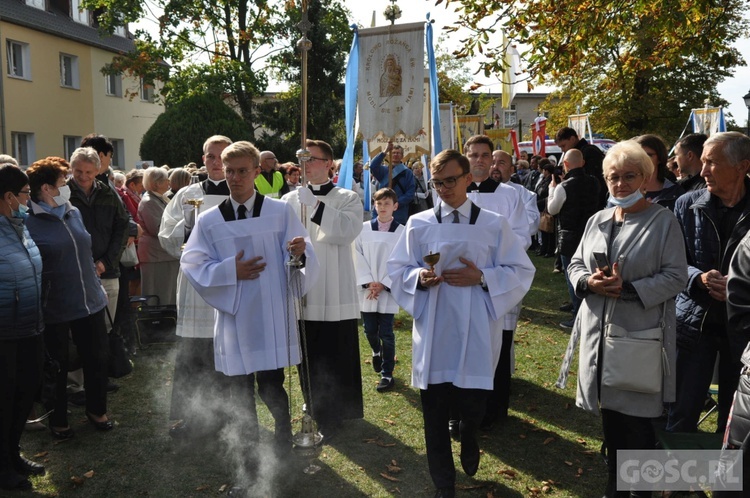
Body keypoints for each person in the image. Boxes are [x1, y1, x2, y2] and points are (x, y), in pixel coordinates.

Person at [387, 149, 535, 498]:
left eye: (450, 180)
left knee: (473, 403)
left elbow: (521, 270)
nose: (443, 188)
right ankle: (444, 484)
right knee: (434, 414)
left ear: (468, 178)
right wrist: (419, 279)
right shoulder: (419, 224)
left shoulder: (492, 224)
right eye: (437, 182)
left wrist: (482, 277)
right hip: (435, 326)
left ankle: (470, 432)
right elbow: (397, 269)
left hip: (477, 326)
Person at [556, 140, 687, 498]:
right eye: (614, 177)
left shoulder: (663, 221)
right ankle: (615, 489)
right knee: (612, 426)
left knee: (638, 430)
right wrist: (587, 281)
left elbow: (676, 276)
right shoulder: (597, 219)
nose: (621, 184)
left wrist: (627, 288)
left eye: (629, 176)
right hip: (600, 339)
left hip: (638, 342)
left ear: (646, 177)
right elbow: (575, 264)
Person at [181, 141, 319, 452]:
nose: (235, 177)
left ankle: (283, 437)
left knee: (272, 383)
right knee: (239, 387)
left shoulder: (280, 212)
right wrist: (231, 271)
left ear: (257, 171)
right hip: (235, 313)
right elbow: (192, 262)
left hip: (270, 311)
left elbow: (303, 252)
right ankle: (248, 444)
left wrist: (300, 253)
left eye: (243, 171)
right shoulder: (209, 220)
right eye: (229, 171)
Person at [25, 157, 115, 438]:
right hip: (56, 307)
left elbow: (84, 249)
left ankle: (96, 410)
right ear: (46, 189)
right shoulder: (29, 221)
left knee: (97, 359)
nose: (67, 186)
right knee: (58, 366)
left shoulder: (71, 211)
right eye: (62, 182)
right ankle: (59, 420)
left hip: (90, 300)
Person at [281, 139, 364, 441]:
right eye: (300, 158)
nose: (304, 164)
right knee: (309, 348)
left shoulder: (346, 197)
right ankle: (313, 401)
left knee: (336, 347)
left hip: (336, 283)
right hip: (304, 283)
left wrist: (314, 204)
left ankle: (340, 408)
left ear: (329, 163)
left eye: (311, 158)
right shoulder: (289, 201)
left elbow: (345, 231)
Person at [667, 131, 750, 434]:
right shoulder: (686, 204)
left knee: (736, 420)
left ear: (742, 166)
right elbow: (672, 261)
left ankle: (728, 482)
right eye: (702, 162)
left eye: (712, 163)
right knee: (680, 414)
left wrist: (738, 287)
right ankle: (676, 481)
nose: (702, 171)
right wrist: (697, 278)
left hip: (743, 331)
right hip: (693, 325)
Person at [158, 135, 236, 438]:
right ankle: (192, 417)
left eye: (221, 156)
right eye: (210, 157)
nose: (216, 163)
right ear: (202, 160)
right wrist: (189, 224)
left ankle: (231, 414)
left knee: (226, 353)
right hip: (195, 287)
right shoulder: (187, 194)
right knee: (194, 354)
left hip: (229, 282)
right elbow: (166, 237)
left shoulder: (242, 192)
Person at [0, 165, 45, 491]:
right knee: (4, 399)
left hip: (30, 324)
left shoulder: (20, 225)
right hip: (4, 331)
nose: (30, 199)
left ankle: (13, 454)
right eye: (27, 193)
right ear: (9, 196)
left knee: (23, 394)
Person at [355, 188, 405, 392]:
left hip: (388, 288)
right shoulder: (362, 229)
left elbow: (402, 260)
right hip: (368, 288)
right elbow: (356, 256)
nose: (382, 207)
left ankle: (387, 373)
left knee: (386, 333)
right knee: (369, 330)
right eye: (379, 203)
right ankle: (376, 351)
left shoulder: (402, 232)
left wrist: (384, 284)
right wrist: (369, 282)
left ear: (395, 206)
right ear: (374, 205)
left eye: (387, 203)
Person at [547, 149, 601, 329]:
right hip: (591, 234)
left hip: (570, 236)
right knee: (588, 274)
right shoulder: (594, 182)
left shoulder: (564, 187)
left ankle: (578, 316)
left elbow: (552, 209)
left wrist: (552, 189)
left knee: (573, 276)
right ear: (583, 162)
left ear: (566, 164)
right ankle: (583, 309)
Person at [138, 167, 179, 305]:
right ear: (156, 184)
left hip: (162, 254)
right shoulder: (149, 201)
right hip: (155, 255)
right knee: (156, 292)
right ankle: (155, 322)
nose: (169, 182)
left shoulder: (159, 198)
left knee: (167, 292)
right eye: (166, 180)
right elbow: (158, 228)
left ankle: (165, 319)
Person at [555, 127, 607, 208]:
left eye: (563, 146)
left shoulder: (589, 152)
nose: (562, 150)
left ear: (572, 139)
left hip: (591, 204)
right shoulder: (584, 151)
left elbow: (593, 181)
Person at [632, 134, 684, 212]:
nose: (643, 159)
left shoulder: (675, 192)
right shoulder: (622, 190)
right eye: (638, 155)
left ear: (659, 158)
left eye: (648, 155)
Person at [368, 142, 416, 224]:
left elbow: (410, 193)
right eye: (393, 152)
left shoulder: (407, 172)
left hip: (398, 212)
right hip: (381, 209)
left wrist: (394, 203)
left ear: (402, 156)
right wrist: (385, 151)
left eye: (398, 153)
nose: (395, 155)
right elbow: (373, 166)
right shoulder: (383, 170)